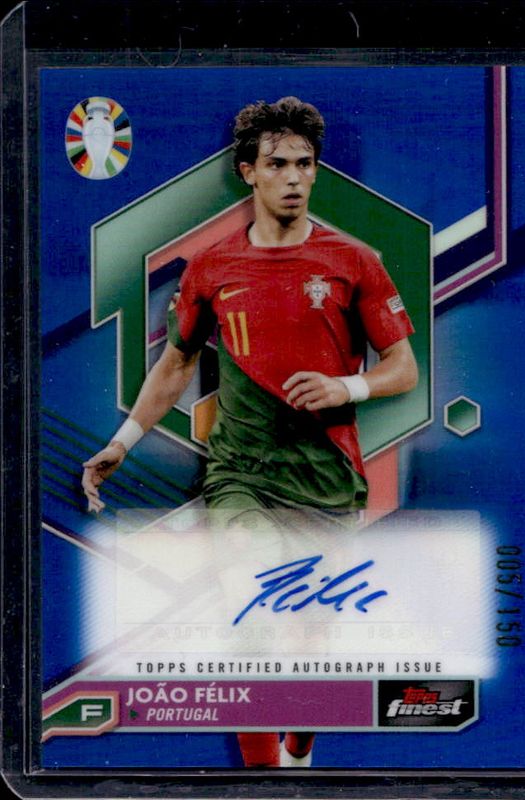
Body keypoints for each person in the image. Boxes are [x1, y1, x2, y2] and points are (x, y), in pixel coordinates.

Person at [82, 96, 418, 768]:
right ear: (248, 172)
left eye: (304, 164)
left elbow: (403, 368)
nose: (293, 176)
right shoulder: (211, 268)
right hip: (241, 474)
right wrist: (122, 442)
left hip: (326, 479)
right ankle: (264, 782)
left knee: (311, 641)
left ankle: (299, 747)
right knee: (252, 613)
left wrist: (346, 387)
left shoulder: (355, 261)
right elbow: (176, 364)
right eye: (277, 163)